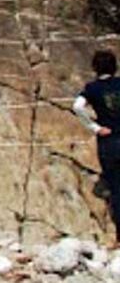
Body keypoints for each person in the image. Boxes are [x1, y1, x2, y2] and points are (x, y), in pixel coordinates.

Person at [74, 50, 120, 246]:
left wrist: (95, 127)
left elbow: (77, 106)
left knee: (116, 187)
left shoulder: (92, 88)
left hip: (109, 142)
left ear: (94, 68)